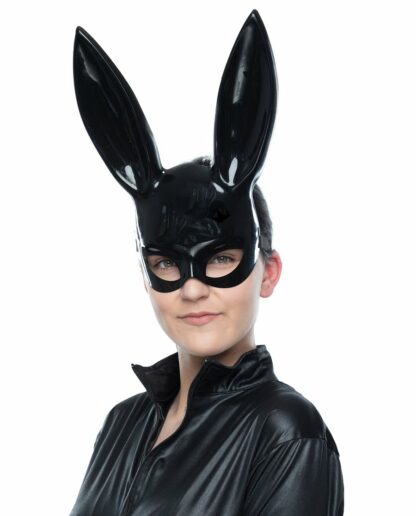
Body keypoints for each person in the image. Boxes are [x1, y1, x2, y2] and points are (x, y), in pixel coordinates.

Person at [71, 9, 344, 516]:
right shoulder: (120, 425)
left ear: (268, 272)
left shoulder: (286, 432)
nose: (192, 289)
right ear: (146, 277)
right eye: (167, 265)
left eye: (220, 259)